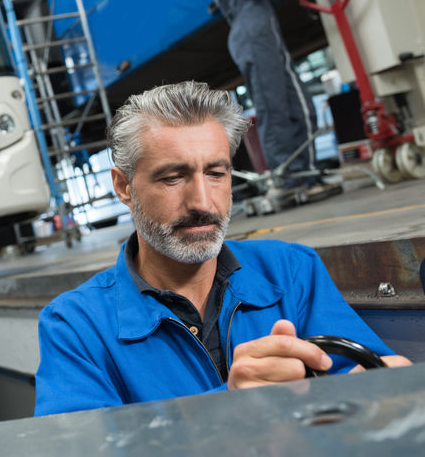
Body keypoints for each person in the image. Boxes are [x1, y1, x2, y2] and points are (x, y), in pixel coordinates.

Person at [33, 81, 410, 416]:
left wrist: (384, 390)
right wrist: (226, 407)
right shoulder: (76, 325)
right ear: (124, 186)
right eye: (173, 177)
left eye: (216, 174)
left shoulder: (292, 271)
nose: (202, 202)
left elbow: (361, 372)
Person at [204, 0, 335, 197]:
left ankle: (302, 175)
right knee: (276, 111)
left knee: (296, 108)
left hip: (264, 40)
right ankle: (291, 182)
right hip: (255, 41)